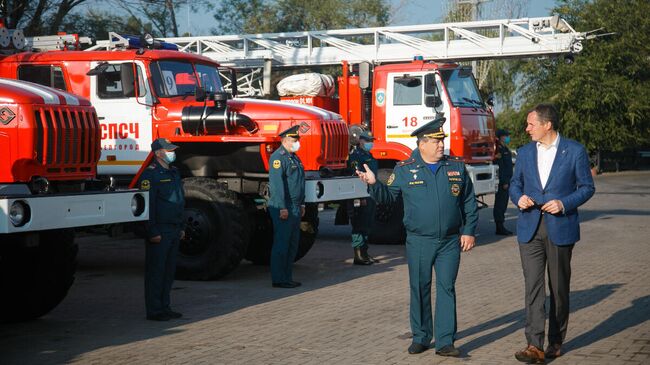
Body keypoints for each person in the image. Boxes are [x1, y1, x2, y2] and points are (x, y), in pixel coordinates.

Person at [356, 118, 478, 357]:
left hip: (450, 242)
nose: (441, 145)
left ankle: (445, 341)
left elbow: (469, 203)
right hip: (420, 240)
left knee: (446, 288)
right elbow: (388, 197)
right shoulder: (404, 169)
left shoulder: (456, 167)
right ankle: (421, 337)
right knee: (420, 287)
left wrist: (469, 231)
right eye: (436, 141)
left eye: (441, 140)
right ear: (422, 144)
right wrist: (373, 184)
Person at [509, 104, 595, 363]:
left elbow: (587, 187)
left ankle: (555, 342)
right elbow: (515, 184)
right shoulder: (524, 153)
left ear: (547, 125)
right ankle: (534, 345)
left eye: (531, 124)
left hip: (560, 227)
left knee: (558, 289)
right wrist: (519, 198)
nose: (527, 129)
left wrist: (564, 203)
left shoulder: (575, 151)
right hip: (529, 227)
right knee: (533, 288)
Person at [138, 138, 186, 321]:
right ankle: (154, 310)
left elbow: (179, 200)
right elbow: (147, 206)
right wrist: (152, 231)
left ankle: (165, 307)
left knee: (168, 272)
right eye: (168, 150)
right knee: (156, 272)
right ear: (158, 153)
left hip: (174, 228)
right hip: (160, 230)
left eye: (172, 150)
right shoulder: (150, 175)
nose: (172, 153)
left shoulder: (174, 172)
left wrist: (181, 226)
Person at [268, 125, 305, 289]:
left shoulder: (294, 158)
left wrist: (302, 203)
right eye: (294, 140)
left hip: (295, 206)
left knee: (292, 244)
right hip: (284, 206)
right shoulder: (278, 158)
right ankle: (278, 279)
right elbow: (277, 185)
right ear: (285, 140)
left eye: (297, 140)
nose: (297, 142)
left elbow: (300, 183)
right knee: (282, 244)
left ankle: (287, 277)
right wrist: (282, 207)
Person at [347, 130, 379, 265]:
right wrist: (361, 196)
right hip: (361, 195)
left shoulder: (368, 155)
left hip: (370, 194)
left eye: (371, 141)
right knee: (359, 224)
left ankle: (365, 253)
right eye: (367, 141)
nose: (370, 143)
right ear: (360, 141)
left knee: (367, 223)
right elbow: (356, 176)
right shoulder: (356, 156)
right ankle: (358, 255)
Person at [494, 129, 514, 235]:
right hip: (503, 181)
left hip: (507, 180)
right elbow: (500, 167)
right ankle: (499, 226)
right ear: (501, 137)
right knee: (500, 204)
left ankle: (501, 225)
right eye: (506, 136)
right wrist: (504, 181)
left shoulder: (504, 147)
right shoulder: (498, 149)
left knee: (504, 203)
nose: (507, 138)